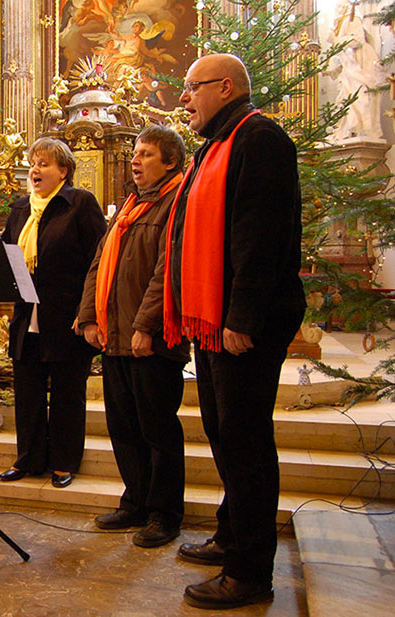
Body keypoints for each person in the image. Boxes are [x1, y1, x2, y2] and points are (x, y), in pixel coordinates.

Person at [166, 54, 305, 609]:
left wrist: (241, 321)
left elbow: (259, 240)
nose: (183, 99)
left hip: (243, 321)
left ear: (225, 88)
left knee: (246, 444)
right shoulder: (219, 145)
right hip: (214, 317)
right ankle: (231, 534)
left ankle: (250, 573)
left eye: (191, 88)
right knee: (225, 435)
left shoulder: (259, 140)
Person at [78, 125, 190, 548]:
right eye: (135, 154)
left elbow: (169, 270)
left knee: (157, 429)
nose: (136, 161)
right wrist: (89, 316)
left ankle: (165, 513)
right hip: (116, 336)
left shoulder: (176, 203)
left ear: (170, 162)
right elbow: (99, 263)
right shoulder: (129, 205)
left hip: (151, 340)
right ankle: (136, 502)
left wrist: (147, 326)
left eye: (146, 154)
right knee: (122, 425)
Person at [0, 137, 106, 488]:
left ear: (64, 170)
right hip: (26, 318)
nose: (35, 169)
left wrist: (88, 312)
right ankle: (28, 458)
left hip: (66, 318)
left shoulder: (80, 204)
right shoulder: (20, 210)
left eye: (44, 163)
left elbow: (98, 261)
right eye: (32, 162)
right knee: (27, 393)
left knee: (66, 393)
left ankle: (63, 461)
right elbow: (4, 257)